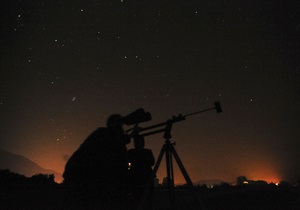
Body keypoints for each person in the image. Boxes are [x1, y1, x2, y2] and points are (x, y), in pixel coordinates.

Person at [63, 114, 131, 209]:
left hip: (79, 176)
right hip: (81, 178)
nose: (122, 130)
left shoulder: (102, 135)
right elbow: (116, 155)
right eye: (120, 126)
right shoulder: (104, 134)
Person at [127, 135, 155, 210]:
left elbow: (152, 162)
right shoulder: (131, 152)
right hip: (136, 180)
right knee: (136, 201)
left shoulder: (147, 152)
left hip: (146, 179)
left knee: (147, 201)